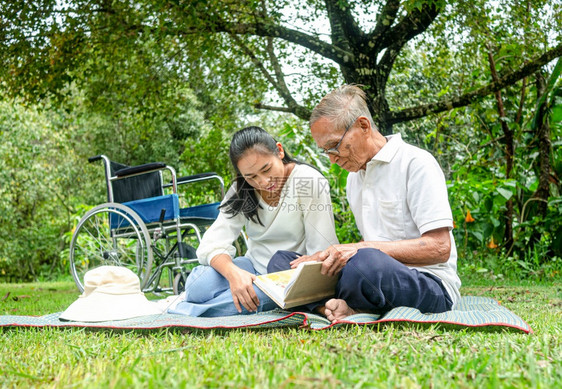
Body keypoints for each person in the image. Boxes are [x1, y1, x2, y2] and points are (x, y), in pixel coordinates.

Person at [269, 85, 461, 323]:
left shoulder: (416, 163)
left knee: (365, 262)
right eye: (325, 151)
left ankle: (343, 304)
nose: (332, 159)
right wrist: (324, 257)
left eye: (335, 146)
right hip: (370, 275)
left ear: (363, 126)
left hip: (428, 283)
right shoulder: (354, 178)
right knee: (283, 263)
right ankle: (330, 308)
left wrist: (359, 249)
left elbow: (440, 248)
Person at [169, 126, 339, 317]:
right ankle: (206, 304)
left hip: (289, 275)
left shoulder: (308, 181)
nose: (264, 182)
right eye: (251, 177)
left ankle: (184, 311)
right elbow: (212, 244)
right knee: (197, 287)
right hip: (252, 267)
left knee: (250, 300)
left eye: (266, 169)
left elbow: (322, 250)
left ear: (280, 151)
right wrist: (234, 274)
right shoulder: (241, 191)